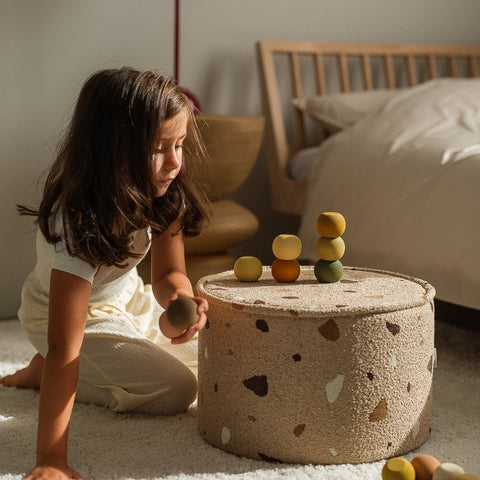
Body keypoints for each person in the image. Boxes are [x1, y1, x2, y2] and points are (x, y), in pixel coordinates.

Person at [0, 67, 211, 480]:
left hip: (127, 302)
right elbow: (66, 345)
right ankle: (44, 372)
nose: (173, 163)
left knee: (216, 357)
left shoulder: (164, 192)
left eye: (180, 145)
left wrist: (178, 301)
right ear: (112, 149)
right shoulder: (79, 220)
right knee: (177, 390)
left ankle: (64, 368)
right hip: (63, 322)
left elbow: (170, 272)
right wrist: (50, 459)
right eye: (158, 148)